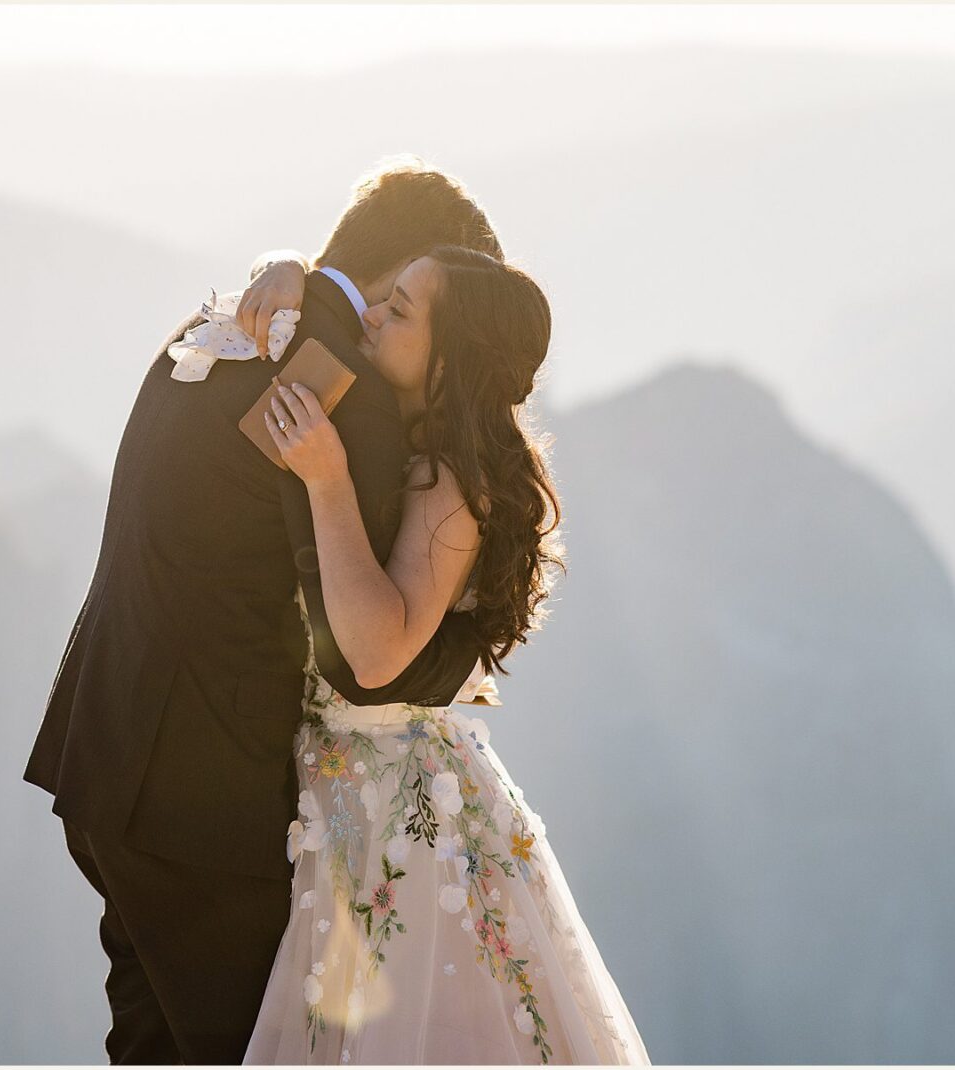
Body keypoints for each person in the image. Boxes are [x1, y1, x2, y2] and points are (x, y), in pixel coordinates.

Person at [21, 157, 507, 1064]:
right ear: (396, 274)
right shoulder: (340, 388)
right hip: (191, 805)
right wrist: (462, 657)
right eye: (411, 296)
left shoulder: (223, 321)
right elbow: (364, 651)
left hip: (100, 751)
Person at [239, 246, 653, 1065]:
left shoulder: (452, 484)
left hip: (394, 816)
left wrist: (325, 477)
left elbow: (378, 649)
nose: (371, 316)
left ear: (446, 358)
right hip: (363, 793)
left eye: (399, 313)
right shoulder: (422, 452)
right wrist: (286, 267)